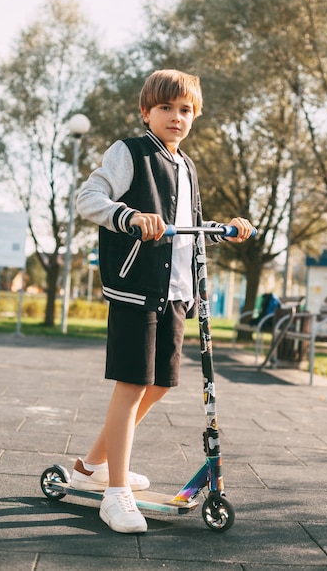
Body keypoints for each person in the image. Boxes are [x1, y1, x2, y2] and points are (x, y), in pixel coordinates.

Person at [73, 69, 254, 534]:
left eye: (186, 110)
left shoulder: (187, 166)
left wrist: (223, 231)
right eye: (167, 109)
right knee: (132, 384)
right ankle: (115, 493)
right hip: (136, 288)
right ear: (146, 113)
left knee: (159, 384)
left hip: (175, 291)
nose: (177, 117)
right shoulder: (129, 153)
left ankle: (94, 465)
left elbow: (185, 235)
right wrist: (128, 216)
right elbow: (87, 198)